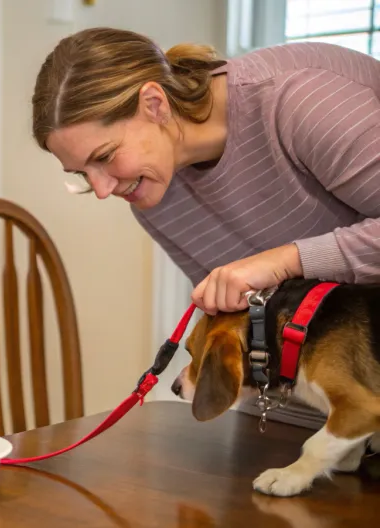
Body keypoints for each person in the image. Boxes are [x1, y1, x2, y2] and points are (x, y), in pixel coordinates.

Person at [32, 27, 380, 315]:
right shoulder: (153, 195)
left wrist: (285, 261)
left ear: (154, 104)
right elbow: (247, 318)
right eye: (82, 173)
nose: (103, 189)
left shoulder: (301, 101)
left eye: (105, 155)